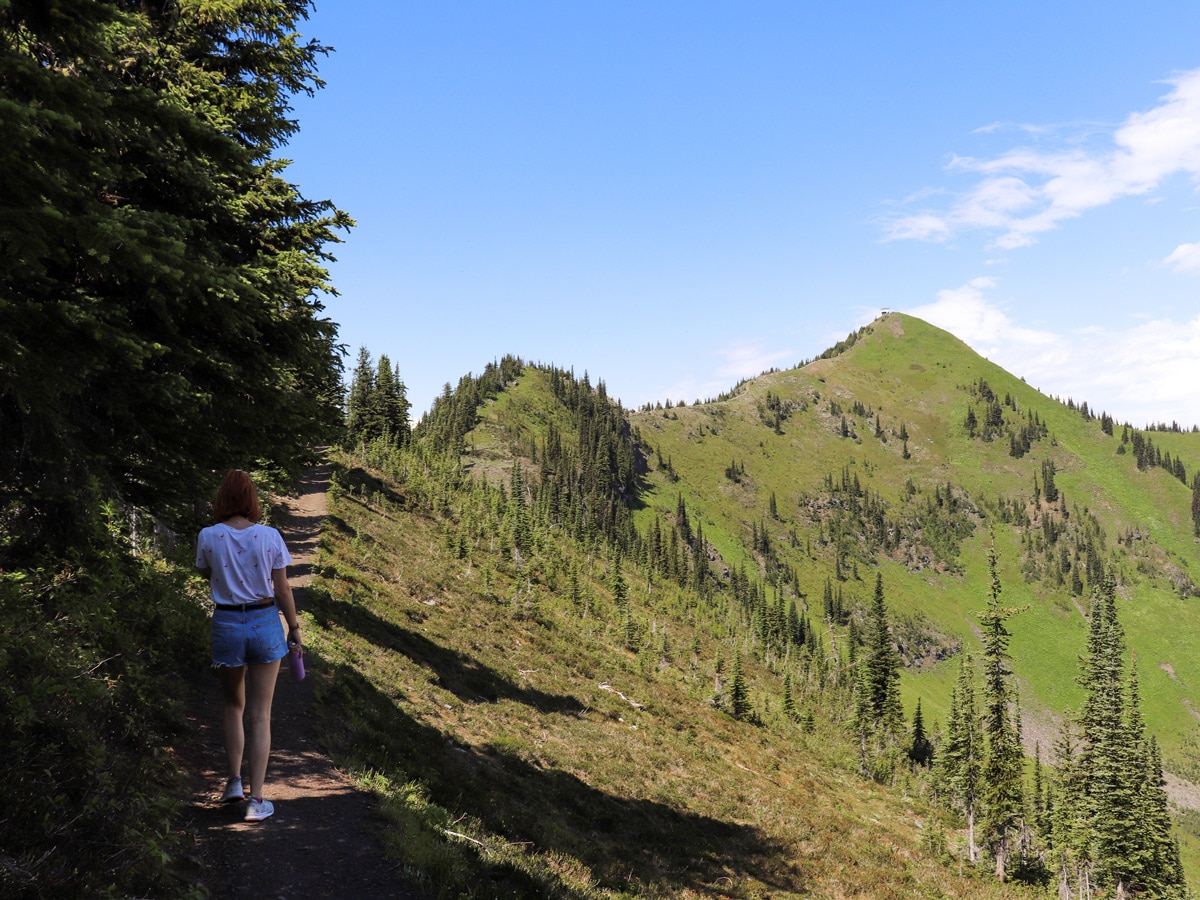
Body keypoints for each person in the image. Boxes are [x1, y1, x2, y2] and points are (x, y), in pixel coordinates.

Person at [195, 469, 302, 822]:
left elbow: (207, 573)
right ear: (252, 500)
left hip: (226, 622)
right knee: (260, 713)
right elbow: (283, 588)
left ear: (222, 500)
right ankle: (257, 800)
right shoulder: (269, 536)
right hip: (265, 622)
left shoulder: (208, 536)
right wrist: (294, 628)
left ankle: (233, 783)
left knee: (232, 705)